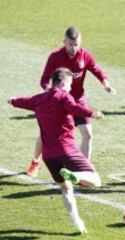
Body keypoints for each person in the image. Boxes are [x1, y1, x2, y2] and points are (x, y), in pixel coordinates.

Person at [8, 68, 103, 234]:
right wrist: (92, 113)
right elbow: (75, 108)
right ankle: (76, 176)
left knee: (65, 189)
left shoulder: (39, 99)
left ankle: (78, 224)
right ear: (64, 82)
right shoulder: (64, 96)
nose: (70, 88)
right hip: (67, 149)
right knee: (96, 181)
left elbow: (23, 101)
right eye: (70, 84)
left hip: (49, 156)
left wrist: (12, 100)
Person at [26, 26, 116, 177]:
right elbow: (44, 80)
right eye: (70, 44)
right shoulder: (55, 57)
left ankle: (83, 173)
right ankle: (35, 161)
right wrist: (51, 92)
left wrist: (106, 85)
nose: (74, 48)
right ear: (64, 42)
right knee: (46, 135)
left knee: (87, 134)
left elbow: (97, 70)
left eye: (76, 44)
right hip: (58, 103)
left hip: (77, 101)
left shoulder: (85, 55)